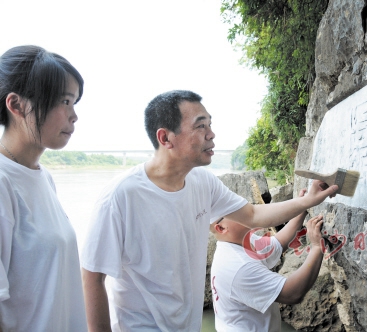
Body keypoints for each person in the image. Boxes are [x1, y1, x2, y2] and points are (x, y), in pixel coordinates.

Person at [81, 90, 338, 332]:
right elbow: (92, 277)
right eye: (200, 125)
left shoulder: (202, 182)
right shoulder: (120, 197)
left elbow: (252, 215)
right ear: (165, 138)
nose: (211, 134)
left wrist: (307, 201)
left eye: (210, 124)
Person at [0, 45, 87, 331]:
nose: (73, 115)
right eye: (64, 100)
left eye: (74, 102)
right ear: (16, 105)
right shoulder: (3, 182)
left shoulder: (42, 177)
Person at [210, 188, 326, 331]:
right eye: (234, 210)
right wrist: (316, 247)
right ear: (221, 228)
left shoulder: (242, 240)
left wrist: (301, 207)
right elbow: (292, 293)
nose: (244, 209)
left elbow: (277, 244)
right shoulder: (237, 266)